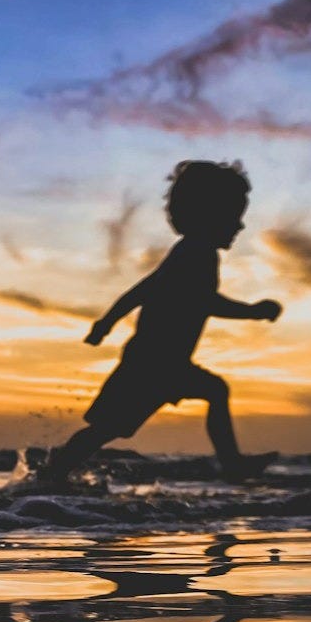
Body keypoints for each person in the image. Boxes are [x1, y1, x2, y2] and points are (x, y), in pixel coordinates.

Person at [44, 160, 281, 486]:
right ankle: (50, 475)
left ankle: (52, 474)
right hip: (152, 362)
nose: (240, 227)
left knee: (206, 393)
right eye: (234, 217)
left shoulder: (188, 252)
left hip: (164, 362)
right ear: (209, 215)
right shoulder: (197, 253)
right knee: (107, 429)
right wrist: (252, 311)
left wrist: (107, 322)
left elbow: (144, 289)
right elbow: (203, 301)